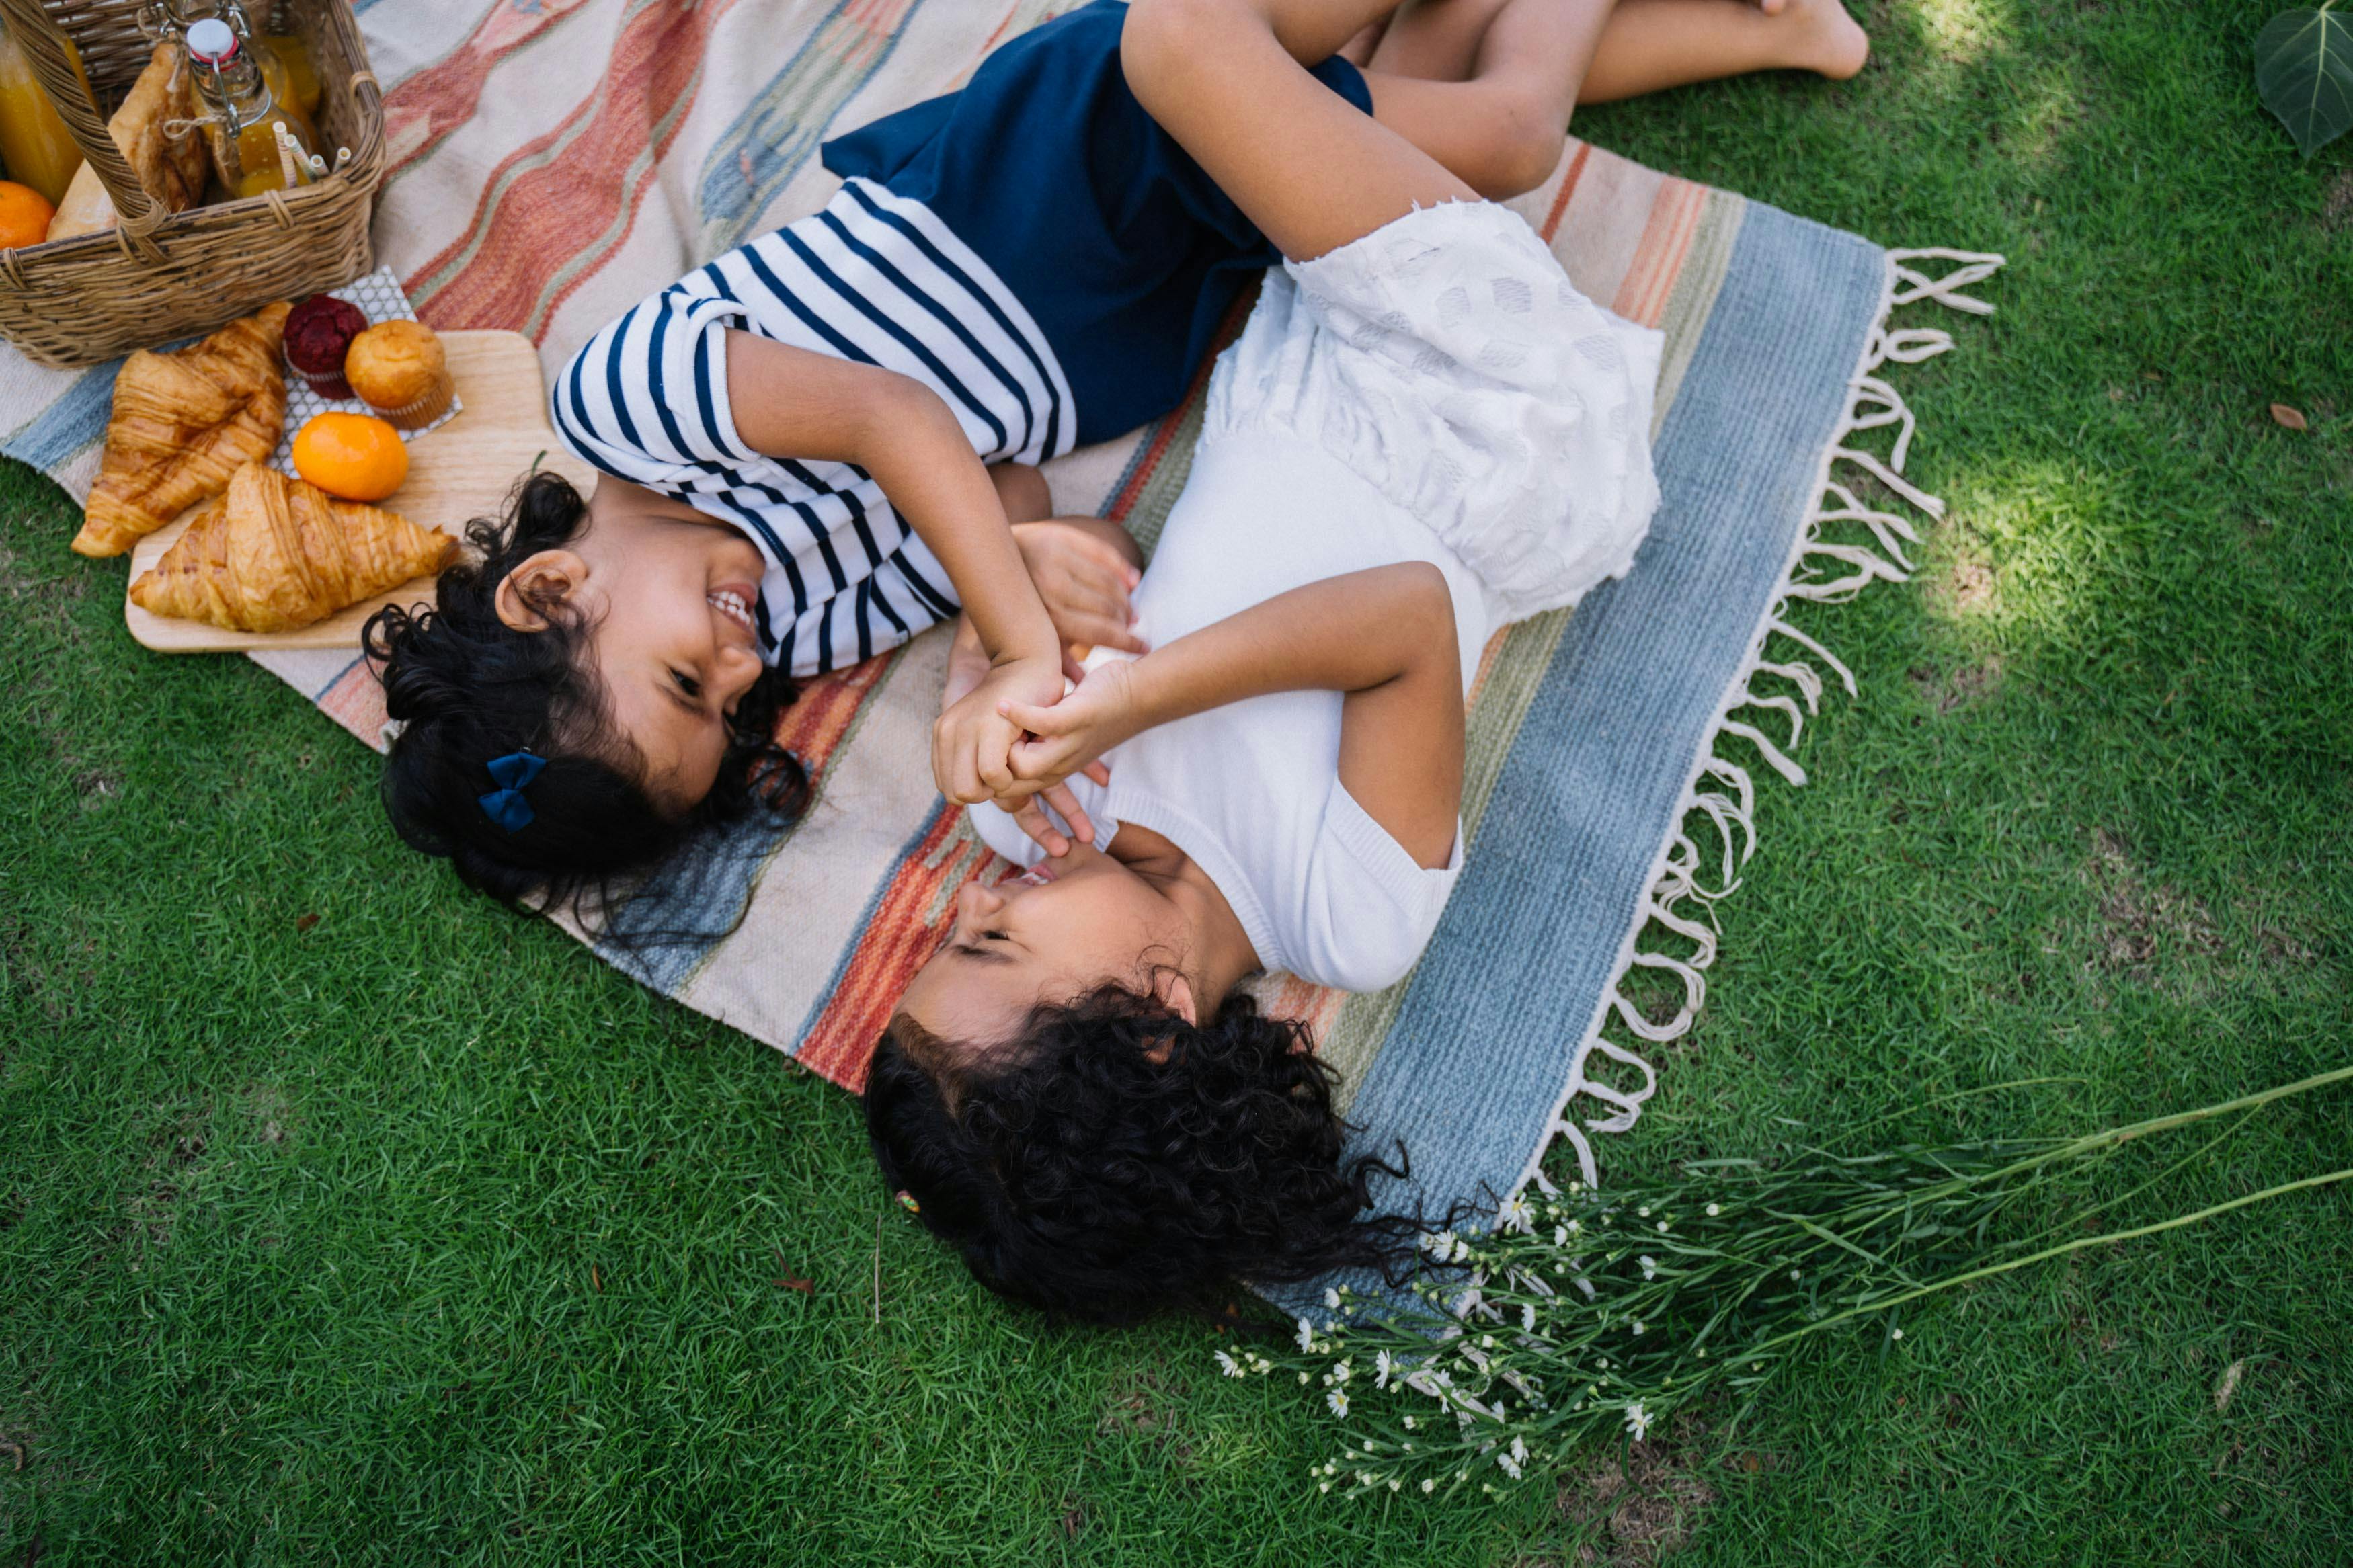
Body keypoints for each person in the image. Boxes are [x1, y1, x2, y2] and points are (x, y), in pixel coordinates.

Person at [362, 0, 1864, 919]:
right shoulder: (806, 625)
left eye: (686, 679)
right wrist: (1010, 584)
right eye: (736, 717)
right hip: (1140, 322)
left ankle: (1750, 38)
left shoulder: (626, 403)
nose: (749, 672)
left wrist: (1006, 639)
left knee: (1483, 125)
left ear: (552, 585)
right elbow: (997, 493)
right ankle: (1791, 29)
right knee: (1417, 86)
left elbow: (897, 421)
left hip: (1063, 166)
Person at [865, 0, 1871, 1324]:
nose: (974, 897)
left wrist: (1013, 633)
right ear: (1155, 1015)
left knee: (1396, 60)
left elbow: (1089, 550)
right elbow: (1397, 622)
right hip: (1486, 430)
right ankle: (1530, 120)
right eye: (993, 941)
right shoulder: (1343, 916)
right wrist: (1135, 698)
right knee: (1181, 49)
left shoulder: (1036, 807)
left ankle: (1793, 36)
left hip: (1324, 368)